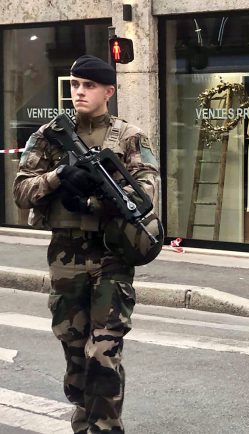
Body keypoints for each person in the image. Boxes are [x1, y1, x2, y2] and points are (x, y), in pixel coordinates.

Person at [14, 55, 160, 433]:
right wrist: (59, 177)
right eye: (75, 85)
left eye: (89, 85)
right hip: (65, 255)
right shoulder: (48, 136)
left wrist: (93, 200)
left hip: (111, 253)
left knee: (104, 352)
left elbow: (145, 192)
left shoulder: (129, 137)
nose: (79, 92)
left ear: (109, 91)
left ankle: (107, 427)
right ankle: (86, 423)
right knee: (75, 351)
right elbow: (21, 190)